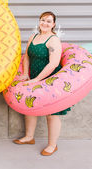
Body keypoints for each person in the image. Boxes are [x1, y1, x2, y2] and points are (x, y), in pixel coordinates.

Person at [13, 11, 71, 156]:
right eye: (43, 20)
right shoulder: (34, 36)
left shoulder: (53, 40)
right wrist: (26, 74)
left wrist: (37, 79)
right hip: (33, 76)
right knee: (30, 106)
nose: (45, 23)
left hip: (50, 79)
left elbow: (53, 63)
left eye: (49, 21)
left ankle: (52, 145)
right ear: (39, 21)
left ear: (53, 24)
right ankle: (29, 137)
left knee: (52, 113)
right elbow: (26, 57)